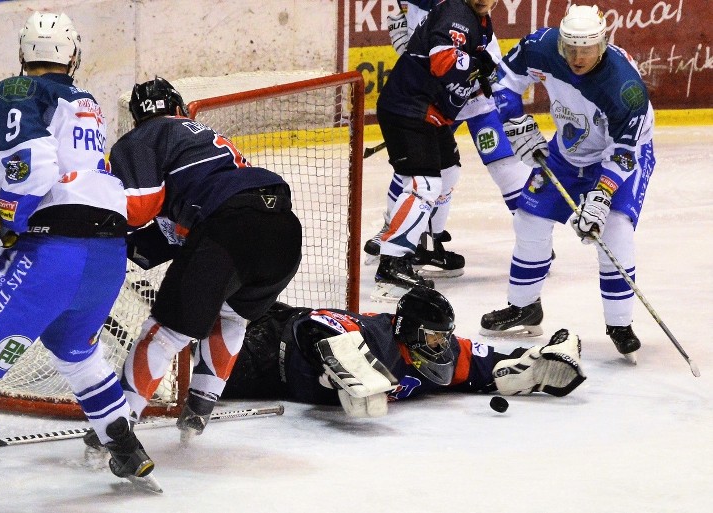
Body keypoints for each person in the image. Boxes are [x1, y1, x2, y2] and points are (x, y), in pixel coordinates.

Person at [0, 12, 154, 512]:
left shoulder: (17, 92)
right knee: (76, 352)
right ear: (73, 58)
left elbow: (31, 170)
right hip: (106, 258)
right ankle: (126, 448)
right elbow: (15, 158)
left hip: (53, 252)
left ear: (23, 56)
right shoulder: (79, 104)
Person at [108, 78, 303, 440]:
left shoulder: (144, 137)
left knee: (164, 332)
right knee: (231, 315)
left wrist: (95, 222)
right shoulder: (206, 137)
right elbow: (176, 234)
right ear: (180, 108)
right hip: (283, 231)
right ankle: (198, 410)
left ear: (136, 119)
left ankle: (114, 430)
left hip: (231, 229)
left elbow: (137, 208)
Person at [478, 5, 655, 361]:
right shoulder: (541, 46)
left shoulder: (625, 88)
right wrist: (516, 123)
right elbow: (503, 80)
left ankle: (620, 325)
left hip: (621, 156)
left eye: (586, 48)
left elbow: (624, 151)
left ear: (602, 43)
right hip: (569, 150)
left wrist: (601, 196)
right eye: (570, 47)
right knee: (528, 219)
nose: (576, 56)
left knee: (614, 228)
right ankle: (524, 307)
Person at [218, 287, 585, 417]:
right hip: (268, 345)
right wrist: (344, 363)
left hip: (275, 383)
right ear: (409, 332)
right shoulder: (378, 337)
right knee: (182, 371)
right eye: (432, 337)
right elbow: (318, 322)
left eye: (444, 337)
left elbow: (493, 363)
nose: (441, 346)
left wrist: (537, 359)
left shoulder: (442, 358)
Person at [365, 0, 531, 281]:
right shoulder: (455, 11)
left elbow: (449, 55)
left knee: (457, 170)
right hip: (423, 102)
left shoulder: (475, 18)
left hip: (456, 99)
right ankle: (396, 250)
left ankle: (428, 243)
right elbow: (439, 56)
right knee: (422, 179)